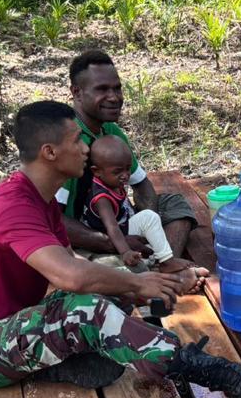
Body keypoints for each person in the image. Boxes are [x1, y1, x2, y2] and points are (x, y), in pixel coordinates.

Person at [0, 100, 241, 398]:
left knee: (114, 287)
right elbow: (69, 276)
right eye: (75, 140)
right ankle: (195, 367)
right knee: (85, 307)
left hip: (14, 325)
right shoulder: (11, 207)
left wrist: (140, 287)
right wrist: (138, 284)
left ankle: (82, 359)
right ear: (49, 152)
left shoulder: (40, 201)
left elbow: (73, 264)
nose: (85, 147)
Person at [59, 50, 197, 260]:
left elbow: (142, 185)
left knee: (175, 204)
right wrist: (115, 242)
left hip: (119, 223)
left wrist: (144, 224)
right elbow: (53, 219)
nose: (114, 97)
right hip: (86, 235)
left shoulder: (112, 132)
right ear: (77, 93)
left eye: (117, 88)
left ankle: (160, 265)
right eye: (102, 89)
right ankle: (157, 269)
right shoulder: (65, 141)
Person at [82, 135, 177, 270]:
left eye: (127, 168)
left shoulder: (111, 180)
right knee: (150, 218)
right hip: (109, 234)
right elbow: (112, 228)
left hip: (123, 224)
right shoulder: (102, 198)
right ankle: (167, 260)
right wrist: (125, 251)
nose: (125, 175)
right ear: (96, 171)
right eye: (118, 171)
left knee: (152, 242)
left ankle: (156, 260)